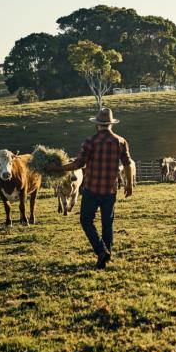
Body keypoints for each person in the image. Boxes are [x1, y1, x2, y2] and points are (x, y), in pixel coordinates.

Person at [63, 107, 133, 269]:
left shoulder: (90, 142)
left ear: (97, 125)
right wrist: (129, 184)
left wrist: (58, 168)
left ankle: (101, 251)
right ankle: (106, 255)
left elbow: (78, 164)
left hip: (92, 189)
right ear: (111, 124)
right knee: (107, 223)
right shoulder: (121, 141)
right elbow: (128, 164)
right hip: (110, 190)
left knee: (86, 220)